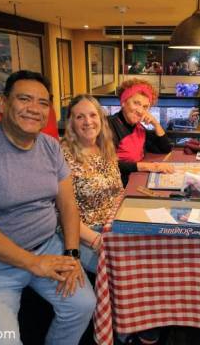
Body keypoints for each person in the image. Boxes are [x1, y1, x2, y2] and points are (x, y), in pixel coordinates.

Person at [0, 70, 96, 345]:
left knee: (82, 304)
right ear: (3, 104)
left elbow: (68, 204)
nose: (34, 109)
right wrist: (33, 263)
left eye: (42, 103)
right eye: (24, 99)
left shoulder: (50, 146)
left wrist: (72, 254)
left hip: (46, 246)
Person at [61, 94, 123, 274]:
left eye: (92, 115)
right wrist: (97, 239)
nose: (88, 121)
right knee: (119, 271)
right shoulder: (62, 156)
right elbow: (59, 213)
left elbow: (118, 192)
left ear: (101, 118)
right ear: (71, 123)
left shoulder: (106, 147)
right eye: (80, 117)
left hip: (112, 228)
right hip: (83, 235)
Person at [108, 78, 174, 186]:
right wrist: (148, 166)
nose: (140, 111)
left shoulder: (139, 128)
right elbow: (109, 165)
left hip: (135, 179)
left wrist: (155, 124)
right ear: (123, 102)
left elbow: (165, 148)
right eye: (136, 103)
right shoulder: (109, 125)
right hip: (118, 185)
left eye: (145, 107)